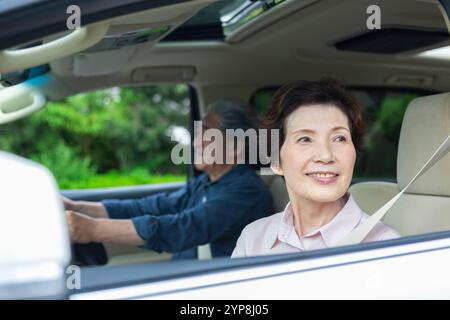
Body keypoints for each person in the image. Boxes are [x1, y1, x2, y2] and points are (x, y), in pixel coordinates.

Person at [64, 99, 274, 260]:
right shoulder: (206, 182)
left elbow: (185, 227)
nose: (196, 141)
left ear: (234, 147)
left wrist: (91, 229)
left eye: (207, 133)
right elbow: (154, 206)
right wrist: (76, 207)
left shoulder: (247, 192)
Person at [232, 79, 400, 258]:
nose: (326, 156)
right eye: (305, 139)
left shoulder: (385, 247)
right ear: (276, 161)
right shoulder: (253, 239)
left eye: (339, 138)